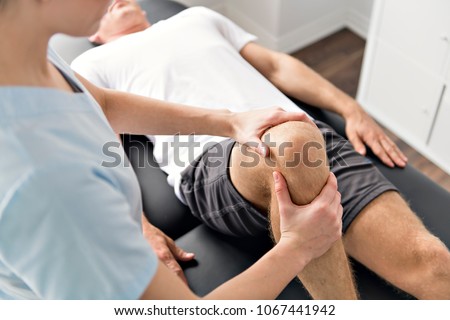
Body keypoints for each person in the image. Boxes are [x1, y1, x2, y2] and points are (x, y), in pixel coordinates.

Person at [72, 1, 450, 300]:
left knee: (436, 267)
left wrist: (350, 108)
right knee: (292, 142)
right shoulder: (89, 64)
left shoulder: (197, 18)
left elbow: (275, 64)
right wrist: (140, 226)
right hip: (214, 162)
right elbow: (101, 144)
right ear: (92, 34)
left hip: (307, 137)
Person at [0, 0, 342, 300]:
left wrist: (229, 122)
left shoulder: (25, 47)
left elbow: (101, 103)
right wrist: (297, 247)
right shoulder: (44, 182)